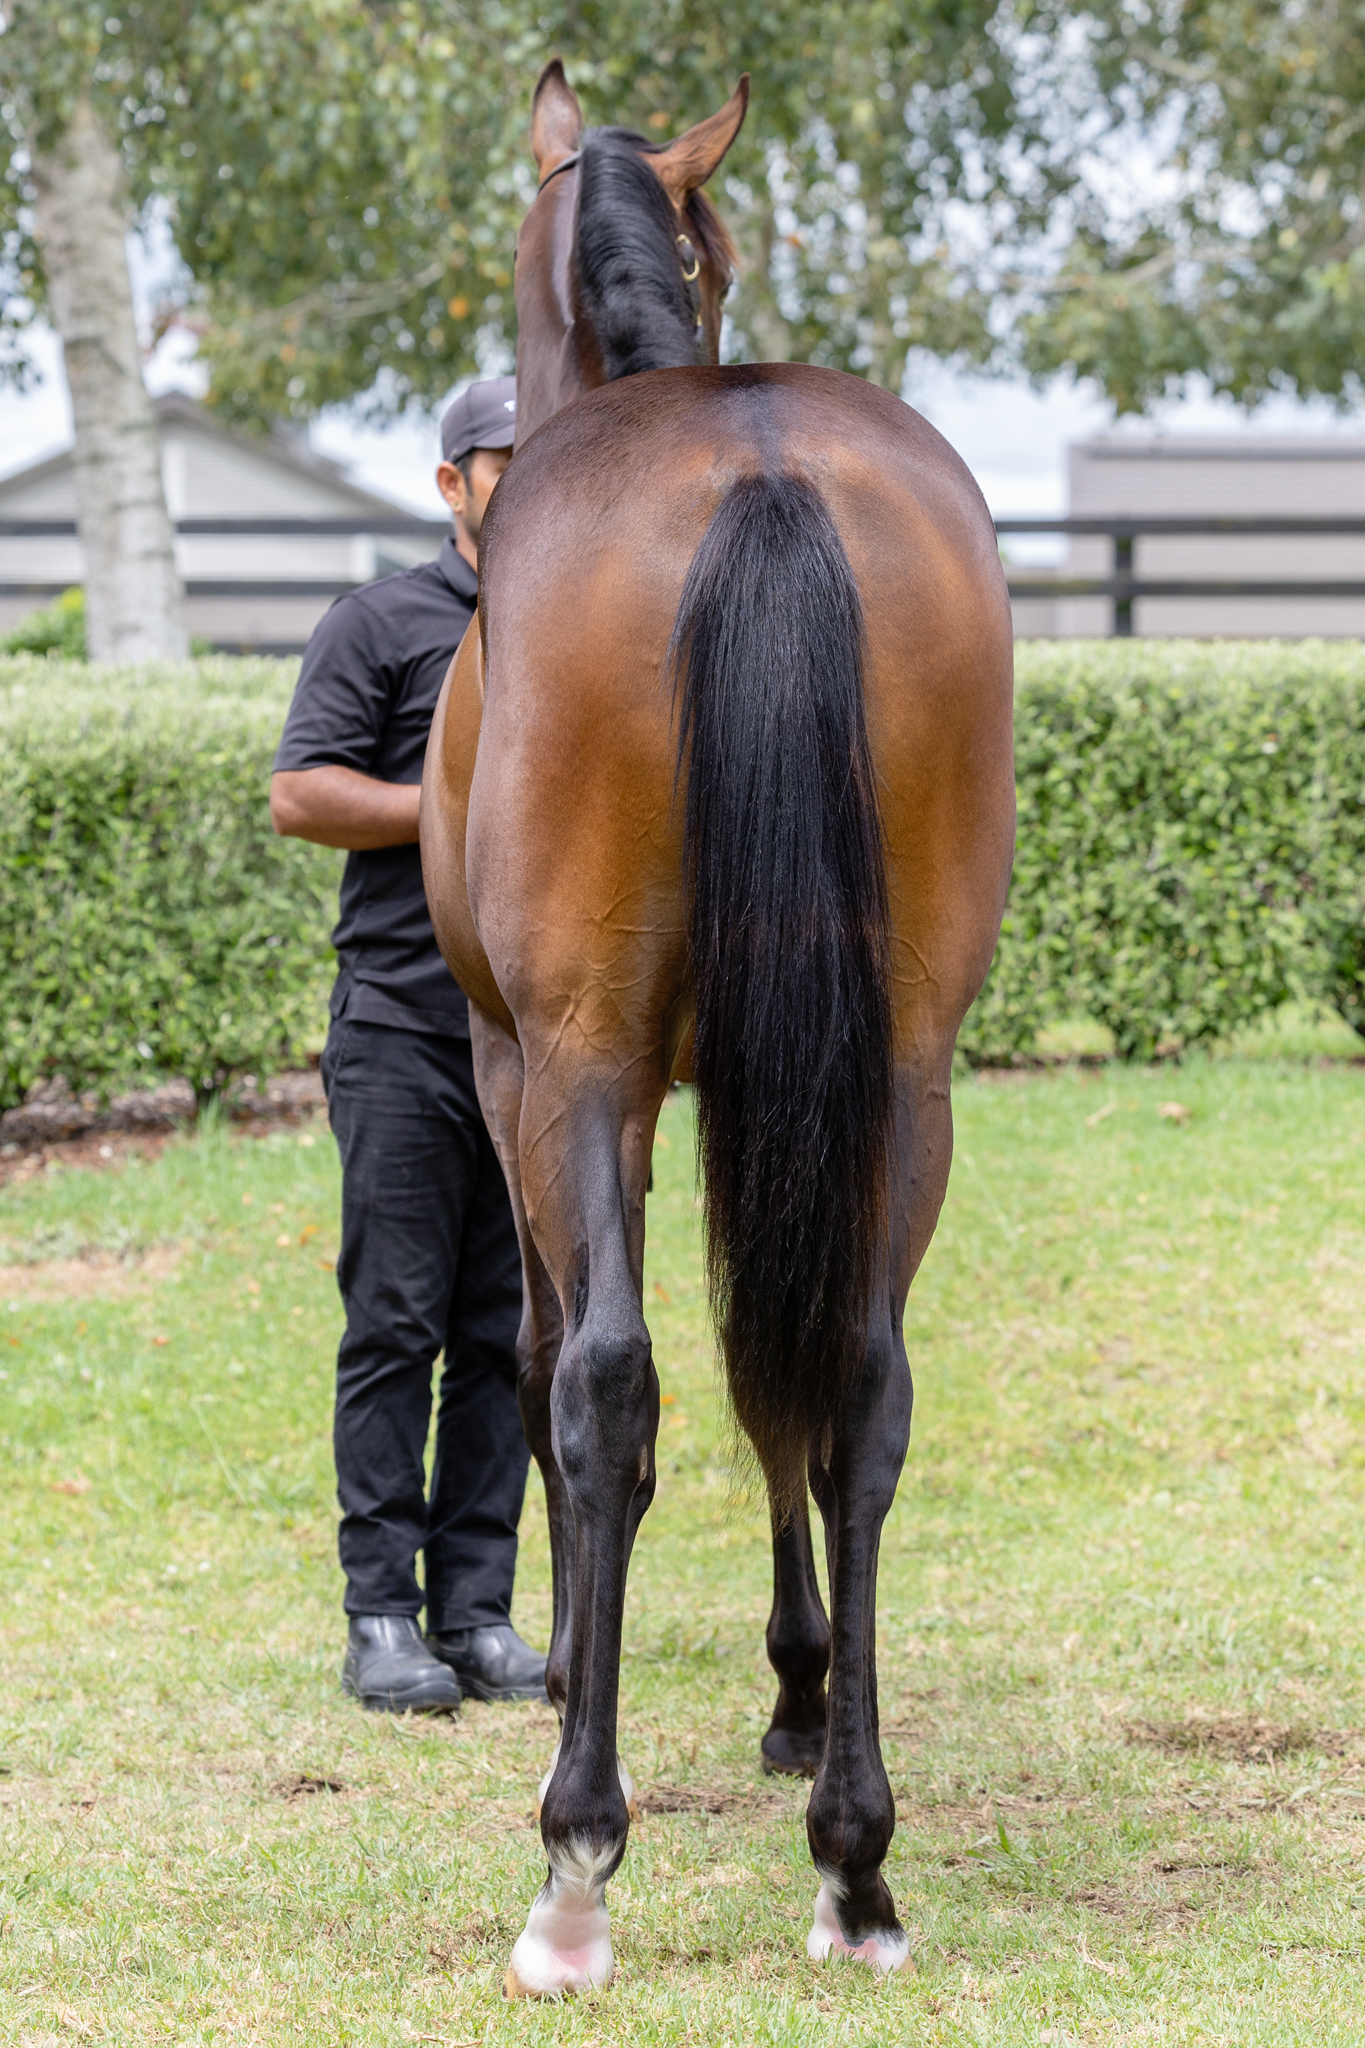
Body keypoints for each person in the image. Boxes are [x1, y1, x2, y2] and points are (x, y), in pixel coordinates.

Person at [270, 377, 546, 1714]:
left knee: (505, 1333)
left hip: (532, 1042)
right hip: (400, 1030)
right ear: (452, 482)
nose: (527, 480)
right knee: (395, 1322)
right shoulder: (379, 622)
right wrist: (454, 810)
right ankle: (380, 1614)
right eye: (504, 461)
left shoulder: (574, 626)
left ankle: (476, 1611)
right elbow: (298, 793)